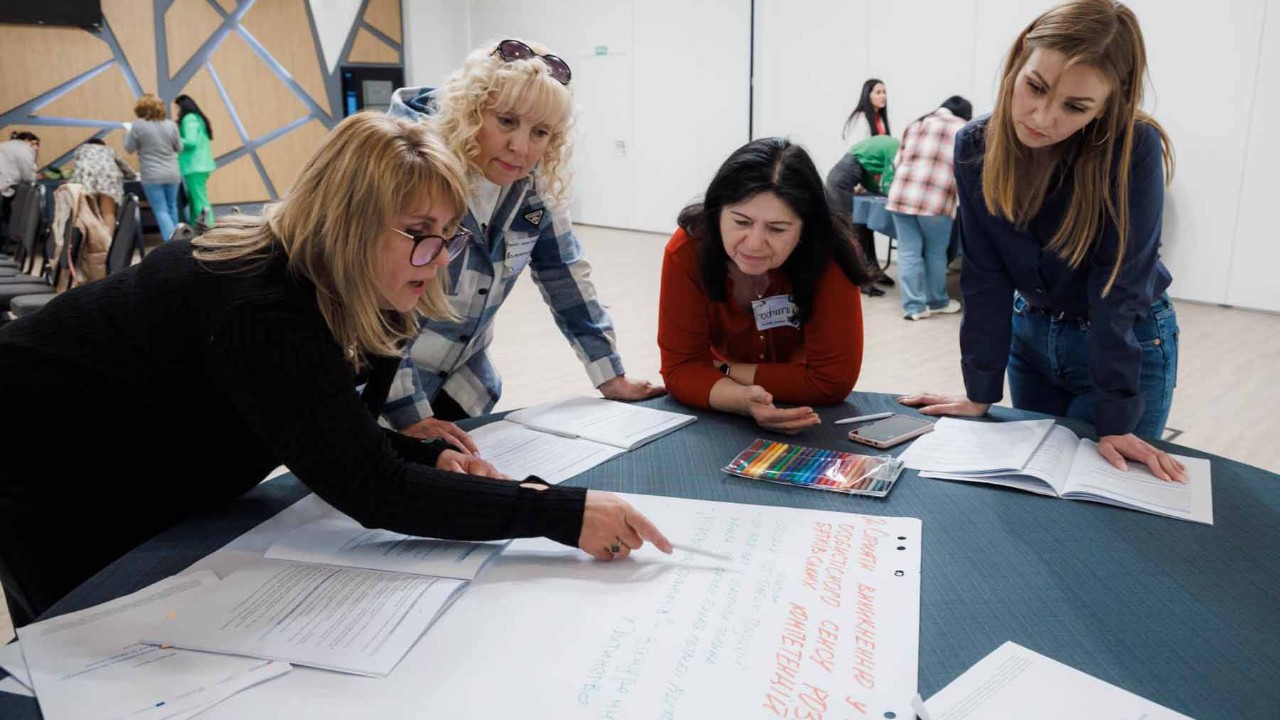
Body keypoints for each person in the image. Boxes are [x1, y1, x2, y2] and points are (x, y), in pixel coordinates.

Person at [0, 112, 670, 629]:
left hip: (145, 458)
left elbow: (329, 419)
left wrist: (417, 452)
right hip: (53, 472)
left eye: (449, 232)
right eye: (420, 232)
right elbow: (371, 490)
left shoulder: (374, 288)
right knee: (79, 645)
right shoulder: (260, 305)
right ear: (351, 224)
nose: (441, 258)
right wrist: (558, 513)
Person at [900, 0, 1187, 483]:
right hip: (1029, 335)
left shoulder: (1133, 149)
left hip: (1125, 336)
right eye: (1034, 87)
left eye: (1075, 106)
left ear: (1108, 105)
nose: (1042, 117)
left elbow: (1117, 286)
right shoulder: (975, 144)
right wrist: (980, 388)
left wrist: (1117, 414)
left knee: (1112, 498)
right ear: (1017, 63)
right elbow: (985, 277)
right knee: (1034, 489)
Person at [385, 39, 663, 452]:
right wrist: (411, 414)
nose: (522, 147)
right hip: (385, 390)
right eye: (507, 122)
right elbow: (375, 307)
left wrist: (610, 375)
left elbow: (564, 274)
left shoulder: (532, 188)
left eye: (540, 132)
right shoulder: (410, 172)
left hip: (462, 386)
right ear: (470, 111)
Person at [659, 138, 869, 435]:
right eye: (741, 222)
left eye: (777, 229)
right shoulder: (687, 251)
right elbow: (680, 370)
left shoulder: (830, 255)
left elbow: (832, 381)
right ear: (717, 213)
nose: (755, 244)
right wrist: (743, 401)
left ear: (804, 230)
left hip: (809, 413)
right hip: (727, 408)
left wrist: (723, 371)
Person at [885, 96, 972, 320]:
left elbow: (897, 162)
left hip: (901, 195)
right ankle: (937, 301)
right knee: (935, 253)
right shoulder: (963, 128)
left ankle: (914, 307)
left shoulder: (916, 123)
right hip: (936, 199)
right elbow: (968, 169)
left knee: (908, 252)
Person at [826, 134, 901, 295]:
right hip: (841, 181)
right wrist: (896, 194)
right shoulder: (895, 148)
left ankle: (873, 272)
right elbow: (888, 181)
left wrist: (878, 191)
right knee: (848, 231)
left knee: (862, 226)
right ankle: (861, 281)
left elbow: (869, 180)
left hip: (842, 177)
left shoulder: (888, 146)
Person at [124, 93, 182, 242]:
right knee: (172, 207)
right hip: (173, 173)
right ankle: (180, 241)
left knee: (161, 210)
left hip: (152, 174)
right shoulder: (171, 125)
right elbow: (179, 148)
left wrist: (128, 131)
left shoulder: (137, 125)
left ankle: (170, 242)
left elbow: (129, 148)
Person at [175, 94, 216, 228]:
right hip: (201, 165)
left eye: (178, 108)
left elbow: (191, 142)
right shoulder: (198, 118)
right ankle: (195, 227)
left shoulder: (189, 118)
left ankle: (208, 227)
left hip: (194, 166)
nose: (177, 111)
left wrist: (173, 139)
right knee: (195, 199)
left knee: (199, 199)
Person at [70, 138, 133, 224]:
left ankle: (93, 237)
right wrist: (131, 175)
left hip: (88, 179)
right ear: (103, 145)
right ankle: (108, 237)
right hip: (109, 179)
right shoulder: (109, 150)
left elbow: (78, 168)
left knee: (91, 213)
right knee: (108, 213)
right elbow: (124, 166)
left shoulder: (80, 150)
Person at [0, 131, 39, 230]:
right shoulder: (25, 149)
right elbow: (28, 176)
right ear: (26, 140)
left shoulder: (5, 145)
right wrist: (35, 176)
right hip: (4, 186)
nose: (37, 147)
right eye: (35, 144)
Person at [841, 78, 891, 144]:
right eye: (878, 93)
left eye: (884, 92)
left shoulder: (880, 118)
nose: (883, 96)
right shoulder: (860, 118)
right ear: (868, 96)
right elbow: (858, 148)